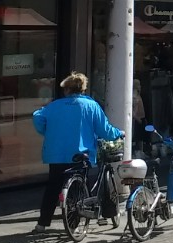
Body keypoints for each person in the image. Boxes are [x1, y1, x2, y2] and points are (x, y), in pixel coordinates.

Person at [31, 72, 125, 233]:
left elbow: (37, 117)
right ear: (83, 89)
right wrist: (118, 133)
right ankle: (73, 225)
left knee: (53, 187)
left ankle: (42, 224)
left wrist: (47, 131)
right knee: (78, 189)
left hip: (56, 153)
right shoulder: (91, 106)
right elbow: (104, 130)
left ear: (66, 90)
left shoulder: (54, 106)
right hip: (80, 154)